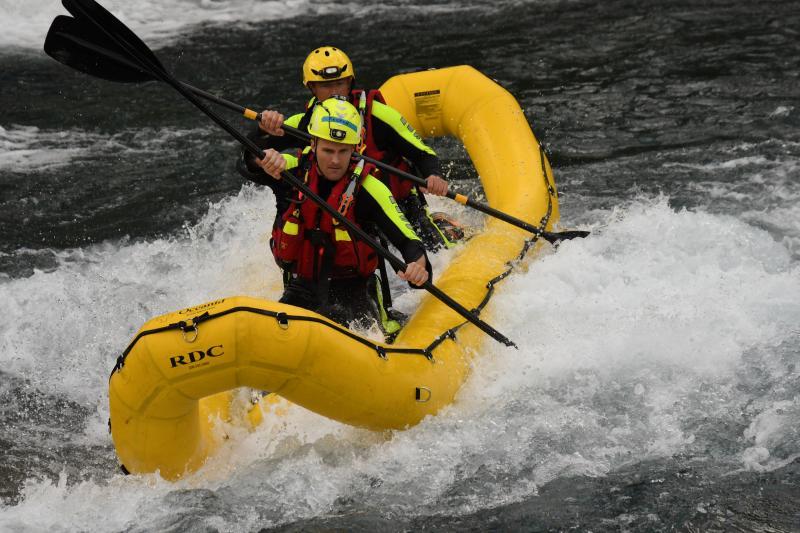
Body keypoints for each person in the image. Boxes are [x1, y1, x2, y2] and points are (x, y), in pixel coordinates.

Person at [240, 46, 464, 251]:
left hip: (397, 205)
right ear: (312, 88)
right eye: (325, 86)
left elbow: (423, 154)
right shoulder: (305, 123)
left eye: (340, 83)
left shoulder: (379, 115)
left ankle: (446, 229)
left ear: (350, 83)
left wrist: (434, 175)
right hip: (346, 212)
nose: (334, 92)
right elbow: (250, 157)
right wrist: (262, 131)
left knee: (435, 248)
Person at [248, 97, 431, 333]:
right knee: (275, 329)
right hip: (302, 288)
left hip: (356, 292)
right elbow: (247, 163)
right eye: (328, 150)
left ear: (355, 149)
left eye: (343, 151)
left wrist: (418, 266)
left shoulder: (369, 189)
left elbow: (409, 243)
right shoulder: (289, 173)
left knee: (349, 324)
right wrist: (260, 146)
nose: (335, 160)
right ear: (313, 144)